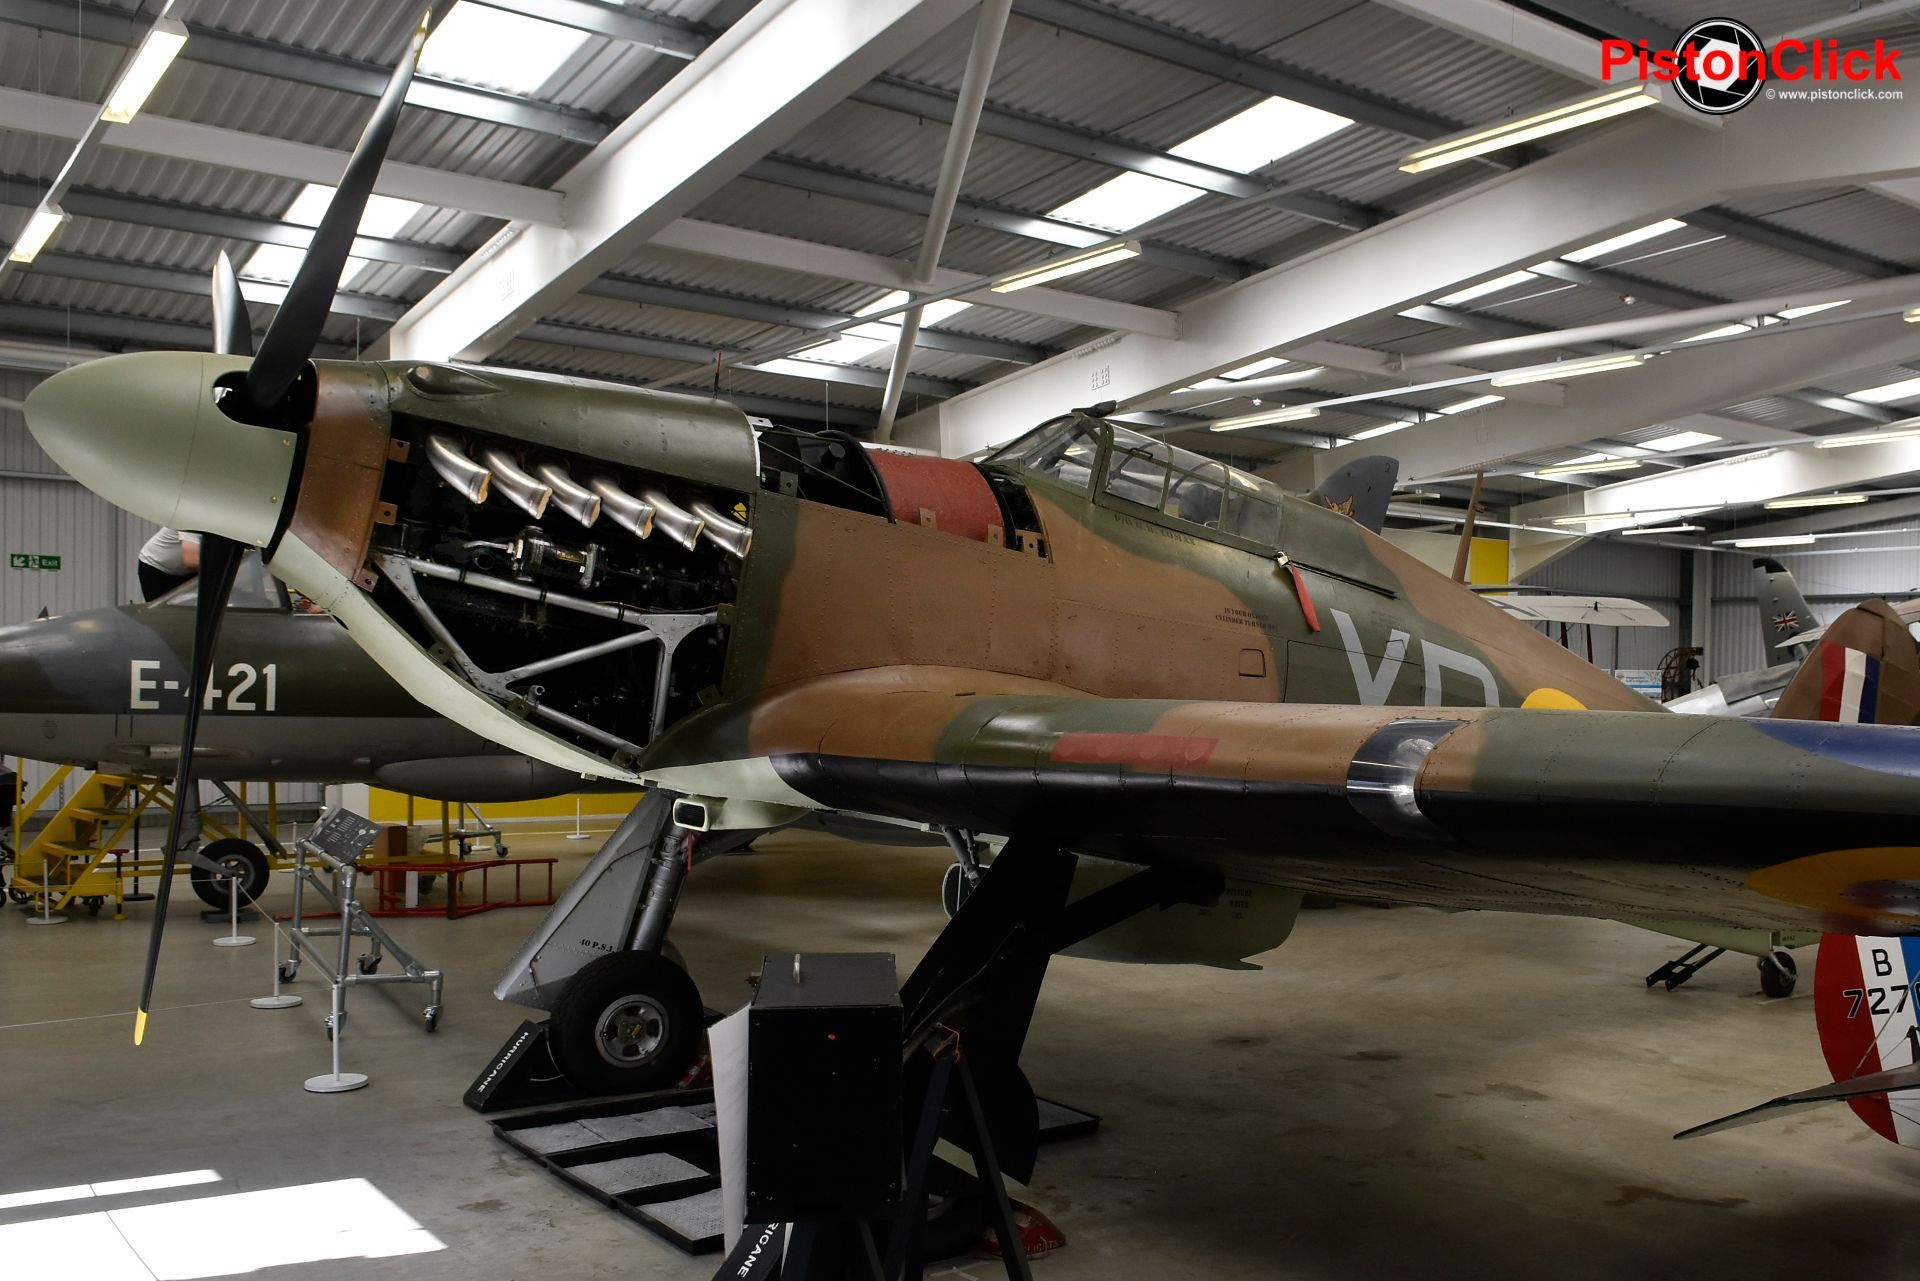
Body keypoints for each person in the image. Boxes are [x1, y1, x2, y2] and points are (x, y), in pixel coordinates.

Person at [137, 527, 200, 601]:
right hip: (156, 566)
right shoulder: (193, 523)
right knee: (160, 606)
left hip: (186, 569)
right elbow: (191, 562)